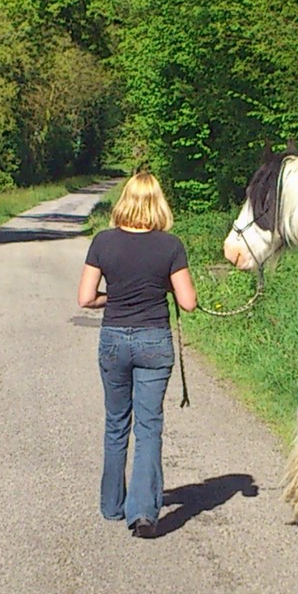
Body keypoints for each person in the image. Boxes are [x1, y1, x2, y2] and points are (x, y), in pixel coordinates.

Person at [77, 170, 197, 539]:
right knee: (148, 427)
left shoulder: (103, 241)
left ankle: (112, 505)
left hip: (114, 339)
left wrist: (114, 296)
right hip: (153, 340)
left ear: (125, 201)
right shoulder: (170, 245)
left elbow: (85, 298)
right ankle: (143, 512)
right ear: (158, 203)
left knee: (116, 423)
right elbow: (188, 303)